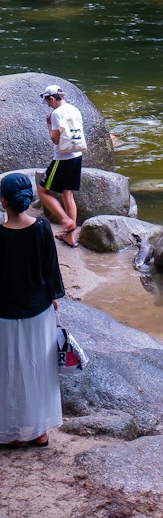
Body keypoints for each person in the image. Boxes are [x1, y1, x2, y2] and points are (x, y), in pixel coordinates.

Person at [0, 171, 65, 447]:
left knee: (7, 370)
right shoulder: (41, 229)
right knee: (38, 368)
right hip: (38, 310)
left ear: (3, 202)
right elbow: (50, 269)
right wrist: (53, 295)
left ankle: (11, 431)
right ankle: (39, 430)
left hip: (4, 312)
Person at [36, 84, 86, 247]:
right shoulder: (75, 109)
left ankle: (66, 221)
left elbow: (56, 140)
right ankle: (70, 237)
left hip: (62, 159)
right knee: (67, 194)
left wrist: (49, 124)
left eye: (47, 101)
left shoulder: (56, 114)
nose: (48, 104)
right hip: (77, 156)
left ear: (52, 98)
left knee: (42, 190)